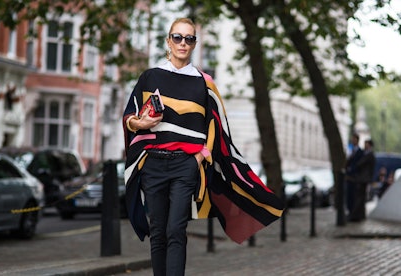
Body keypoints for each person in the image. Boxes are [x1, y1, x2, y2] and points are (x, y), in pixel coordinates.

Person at [122, 18, 284, 275]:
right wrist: (139, 124)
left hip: (185, 166)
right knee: (158, 231)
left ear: (195, 44)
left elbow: (217, 128)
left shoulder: (204, 83)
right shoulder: (150, 77)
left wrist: (199, 158)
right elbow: (130, 115)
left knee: (176, 229)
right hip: (153, 163)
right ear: (168, 41)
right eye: (177, 37)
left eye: (189, 38)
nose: (183, 43)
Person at [350, 139, 376, 222]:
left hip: (363, 179)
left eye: (366, 144)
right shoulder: (368, 154)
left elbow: (360, 164)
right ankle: (361, 215)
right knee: (361, 197)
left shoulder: (369, 155)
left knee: (360, 197)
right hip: (363, 178)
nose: (365, 146)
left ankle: (356, 215)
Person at [344, 133, 364, 219]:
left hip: (354, 178)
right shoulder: (350, 150)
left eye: (354, 139)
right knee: (349, 196)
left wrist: (352, 171)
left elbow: (358, 165)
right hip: (349, 178)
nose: (352, 141)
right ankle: (350, 212)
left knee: (353, 197)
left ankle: (353, 214)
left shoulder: (360, 152)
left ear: (357, 140)